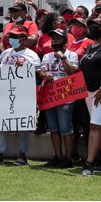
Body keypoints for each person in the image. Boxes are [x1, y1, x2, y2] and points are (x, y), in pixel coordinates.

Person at [0, 26, 41, 166]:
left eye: (16, 37)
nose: (12, 39)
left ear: (23, 39)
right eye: (11, 36)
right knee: (2, 123)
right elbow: (0, 73)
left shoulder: (31, 55)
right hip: (5, 94)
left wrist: (25, 65)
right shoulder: (5, 53)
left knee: (23, 126)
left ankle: (22, 155)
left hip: (24, 96)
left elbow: (37, 72)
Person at [40, 28, 79, 168]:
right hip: (50, 96)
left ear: (65, 42)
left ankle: (68, 159)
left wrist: (62, 57)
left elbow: (72, 72)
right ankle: (58, 156)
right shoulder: (46, 56)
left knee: (66, 129)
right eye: (53, 39)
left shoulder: (72, 55)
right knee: (53, 129)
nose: (54, 41)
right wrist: (45, 75)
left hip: (66, 97)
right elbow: (42, 72)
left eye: (58, 39)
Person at [68, 17, 93, 161]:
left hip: (84, 86)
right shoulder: (70, 43)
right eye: (74, 25)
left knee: (86, 120)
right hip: (71, 86)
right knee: (73, 120)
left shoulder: (89, 43)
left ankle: (92, 155)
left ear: (85, 28)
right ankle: (74, 153)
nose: (76, 27)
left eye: (80, 25)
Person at [80, 18, 101, 176]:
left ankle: (89, 163)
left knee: (94, 126)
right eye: (91, 26)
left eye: (97, 26)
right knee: (96, 127)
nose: (93, 28)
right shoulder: (88, 47)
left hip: (99, 92)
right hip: (88, 92)